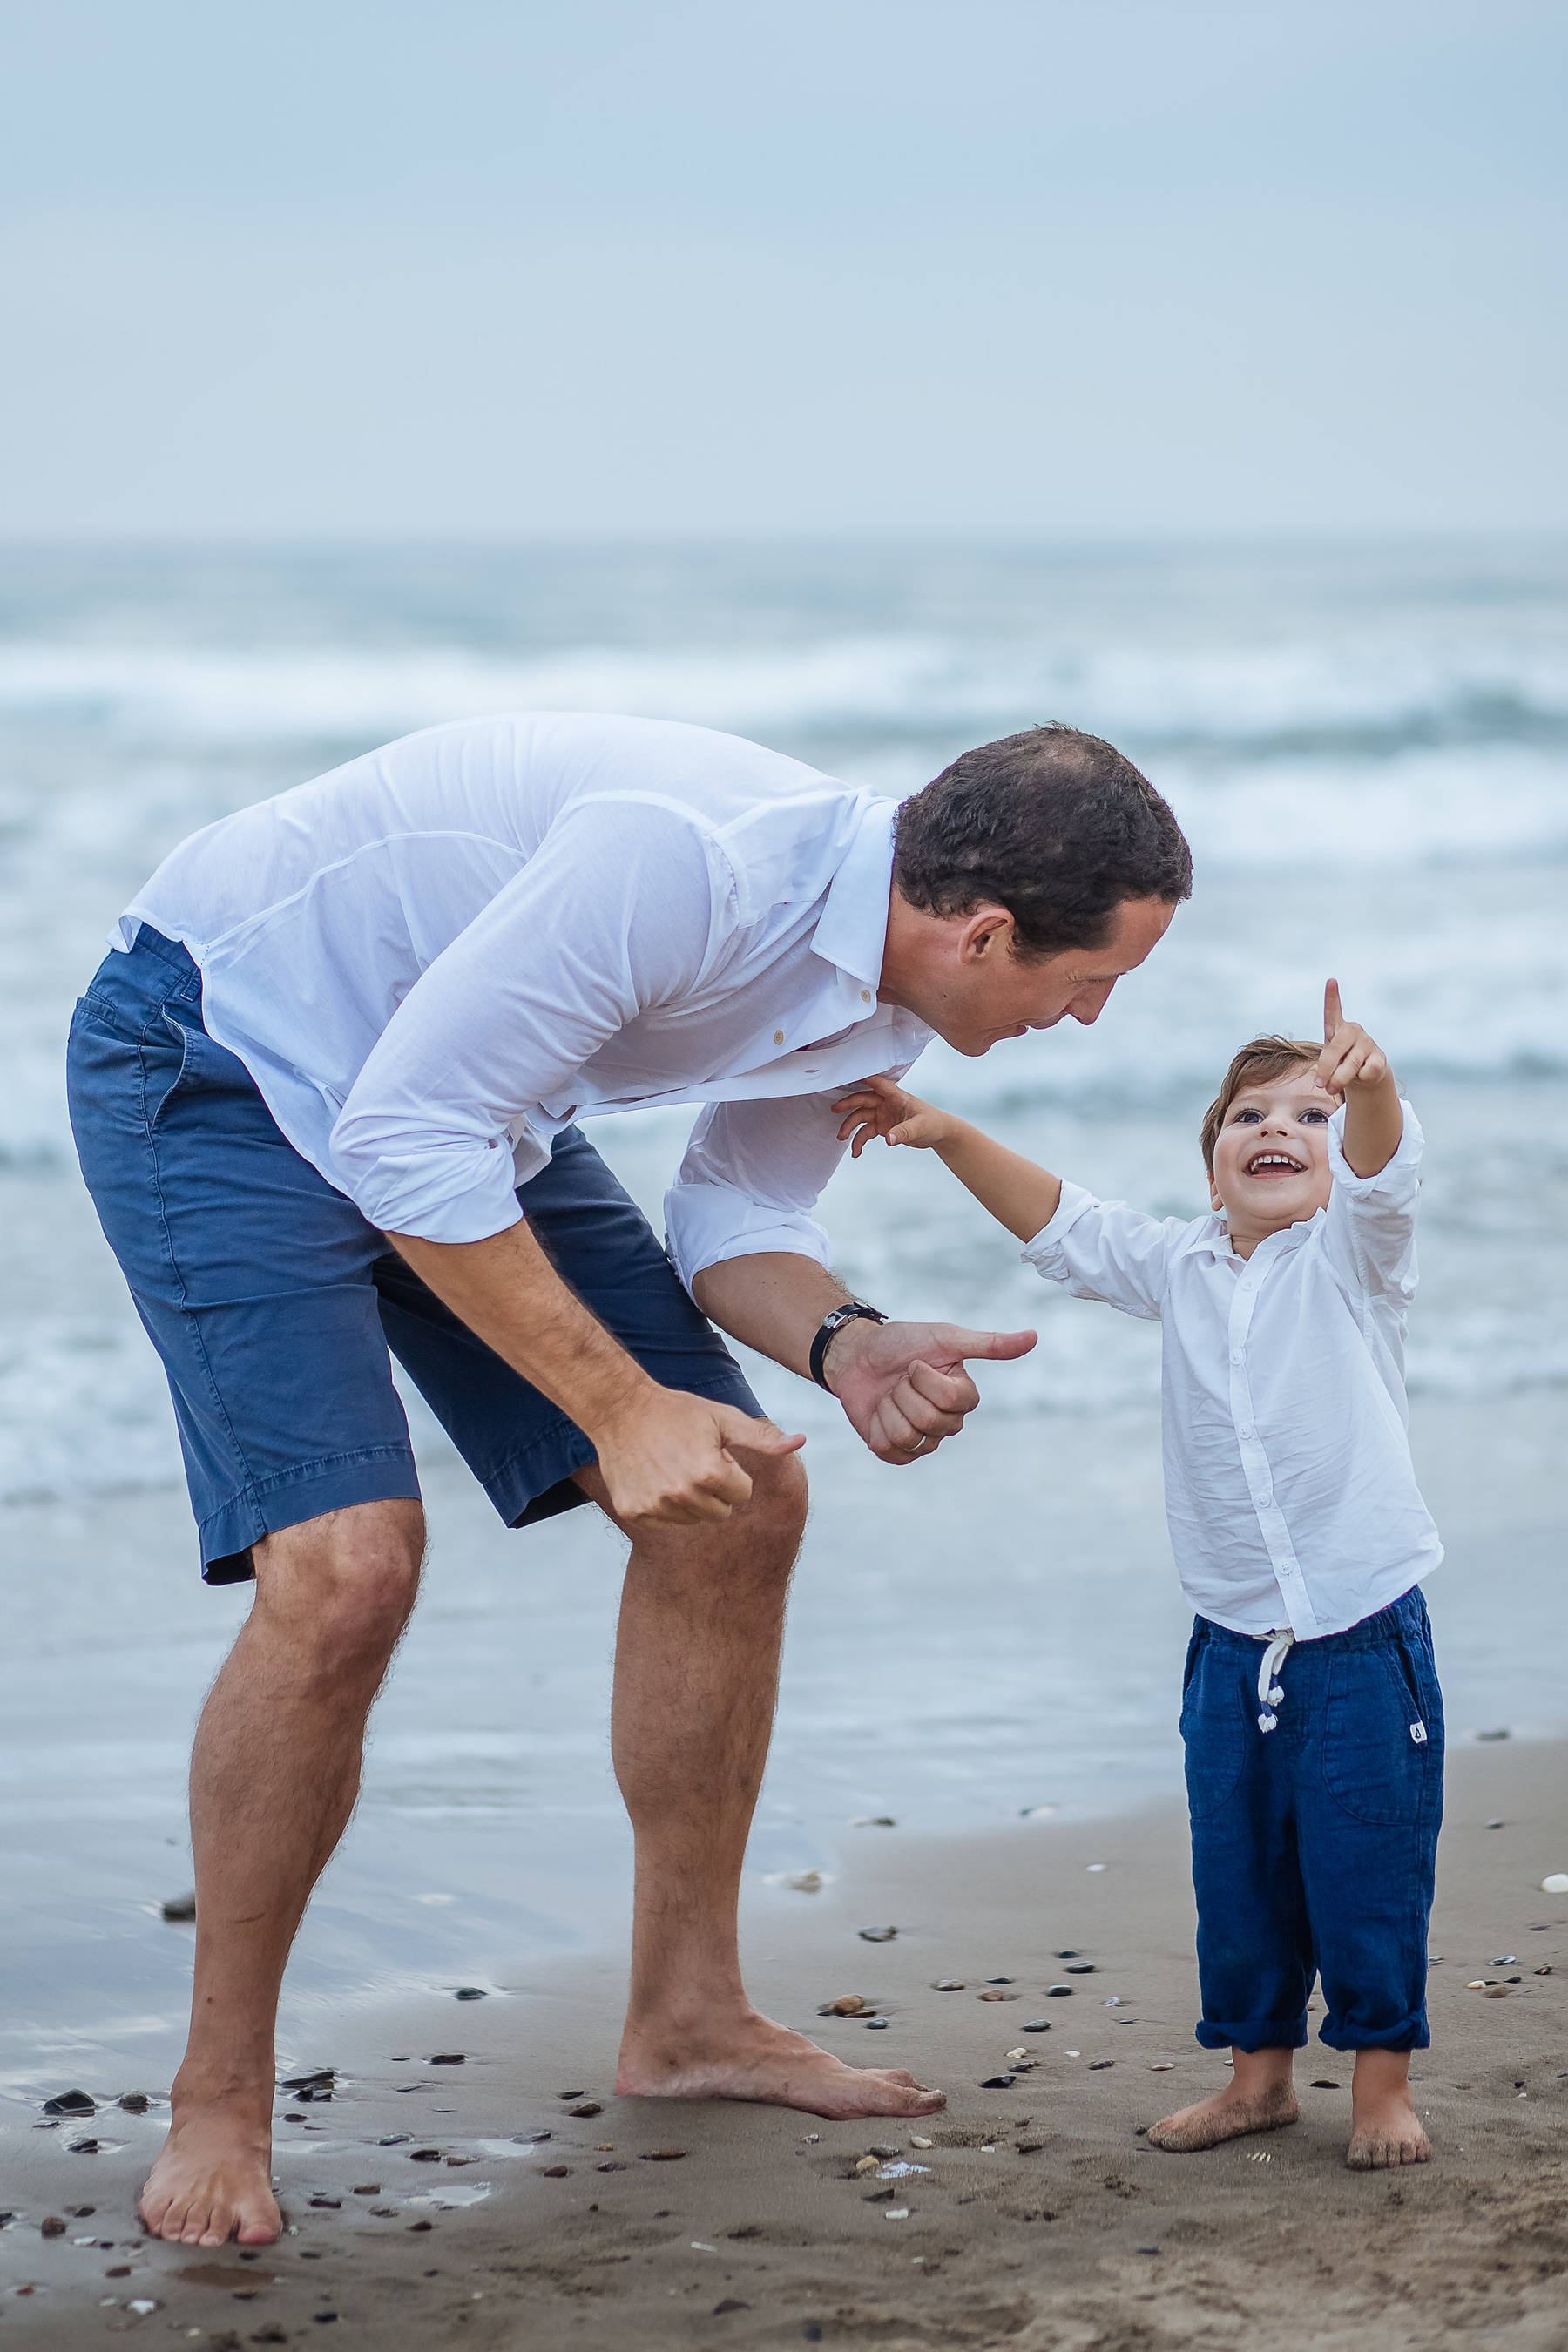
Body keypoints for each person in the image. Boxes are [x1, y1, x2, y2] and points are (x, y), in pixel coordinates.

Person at [64, 713, 1191, 2247]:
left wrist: (847, 1343)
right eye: (1092, 980)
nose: (1088, 1017)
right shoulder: (691, 865)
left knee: (746, 1497)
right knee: (347, 1571)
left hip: (464, 1115)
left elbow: (731, 1215)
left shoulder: (891, 991)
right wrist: (615, 1404)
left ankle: (689, 2019)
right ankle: (218, 2098)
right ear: (987, 929)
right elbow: (402, 1135)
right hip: (217, 1057)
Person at [834, 982, 1444, 2171]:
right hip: (1228, 1642)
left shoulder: (1355, 1261)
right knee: (1240, 1869)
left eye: (1307, 1119)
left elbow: (1385, 1177)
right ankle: (1258, 2078)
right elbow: (1064, 1223)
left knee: (1368, 1864)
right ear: (1212, 1164)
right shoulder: (1179, 1268)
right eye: (1247, 1117)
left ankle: (1381, 2086)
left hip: (1362, 1637)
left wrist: (1368, 1090)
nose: (1277, 1131)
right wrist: (952, 1133)